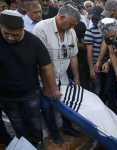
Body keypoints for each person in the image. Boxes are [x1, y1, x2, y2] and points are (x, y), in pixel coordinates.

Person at [0, 10, 60, 148]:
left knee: (34, 122)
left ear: (23, 29)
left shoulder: (33, 42)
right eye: (5, 33)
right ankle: (25, 145)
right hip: (6, 97)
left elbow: (47, 67)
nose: (9, 37)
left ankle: (38, 143)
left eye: (14, 35)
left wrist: (52, 90)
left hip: (30, 93)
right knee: (17, 124)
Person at [33, 4, 81, 144]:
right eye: (71, 24)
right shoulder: (41, 29)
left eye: (74, 25)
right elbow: (40, 62)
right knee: (47, 107)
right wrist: (50, 86)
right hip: (44, 78)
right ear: (61, 17)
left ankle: (67, 127)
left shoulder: (71, 32)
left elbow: (73, 56)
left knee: (66, 104)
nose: (72, 28)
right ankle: (54, 134)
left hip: (63, 76)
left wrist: (77, 77)